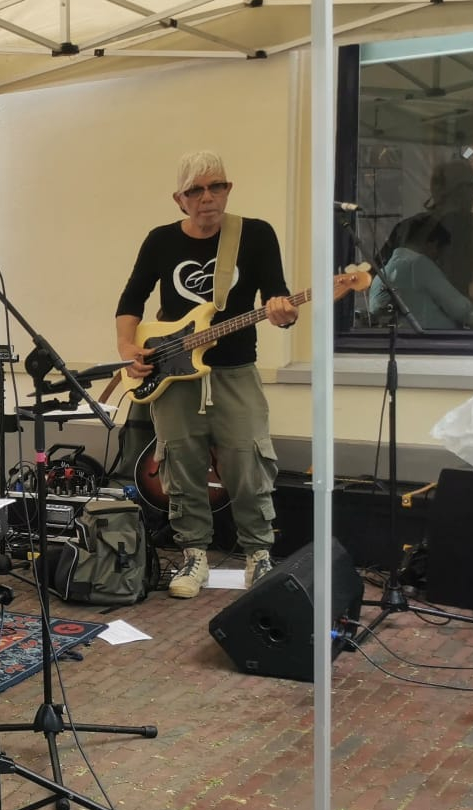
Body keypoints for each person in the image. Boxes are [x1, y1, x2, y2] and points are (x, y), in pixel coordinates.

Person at [115, 150, 295, 598]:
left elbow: (279, 296)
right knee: (180, 466)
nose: (207, 197)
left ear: (228, 189)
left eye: (217, 186)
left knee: (248, 463)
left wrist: (283, 312)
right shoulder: (160, 241)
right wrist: (127, 350)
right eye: (196, 190)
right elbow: (131, 301)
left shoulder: (254, 235)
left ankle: (258, 554)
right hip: (173, 376)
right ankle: (194, 554)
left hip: (234, 370)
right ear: (180, 199)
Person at [380, 159, 473, 313]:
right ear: (453, 191)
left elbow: (379, 280)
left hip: (413, 323)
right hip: (453, 324)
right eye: (471, 187)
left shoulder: (408, 227)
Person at [370, 215, 473, 330]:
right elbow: (459, 308)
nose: (438, 259)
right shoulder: (418, 264)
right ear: (432, 244)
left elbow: (375, 310)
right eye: (439, 252)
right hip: (434, 342)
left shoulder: (383, 272)